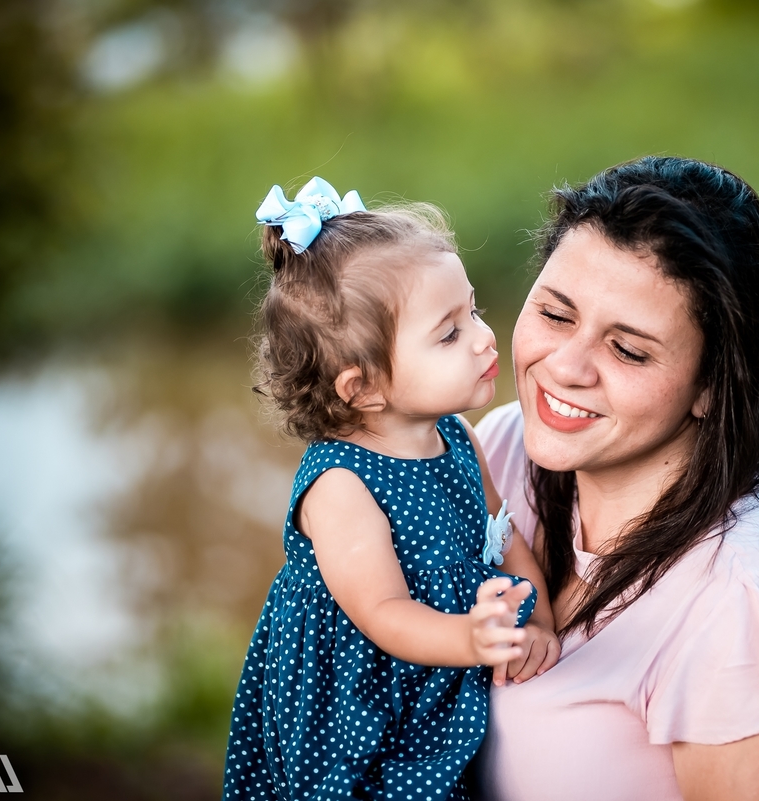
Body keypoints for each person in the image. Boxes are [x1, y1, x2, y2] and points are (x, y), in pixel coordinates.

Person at [474, 157, 759, 800]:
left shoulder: (753, 608)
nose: (565, 368)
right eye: (557, 315)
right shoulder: (501, 452)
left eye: (628, 350)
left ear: (711, 383)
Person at [223, 178, 559, 801]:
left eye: (474, 310)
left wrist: (539, 621)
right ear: (363, 387)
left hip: (436, 675)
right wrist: (471, 640)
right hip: (361, 702)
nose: (486, 337)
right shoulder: (341, 486)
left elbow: (501, 536)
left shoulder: (457, 437)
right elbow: (382, 614)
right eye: (449, 333)